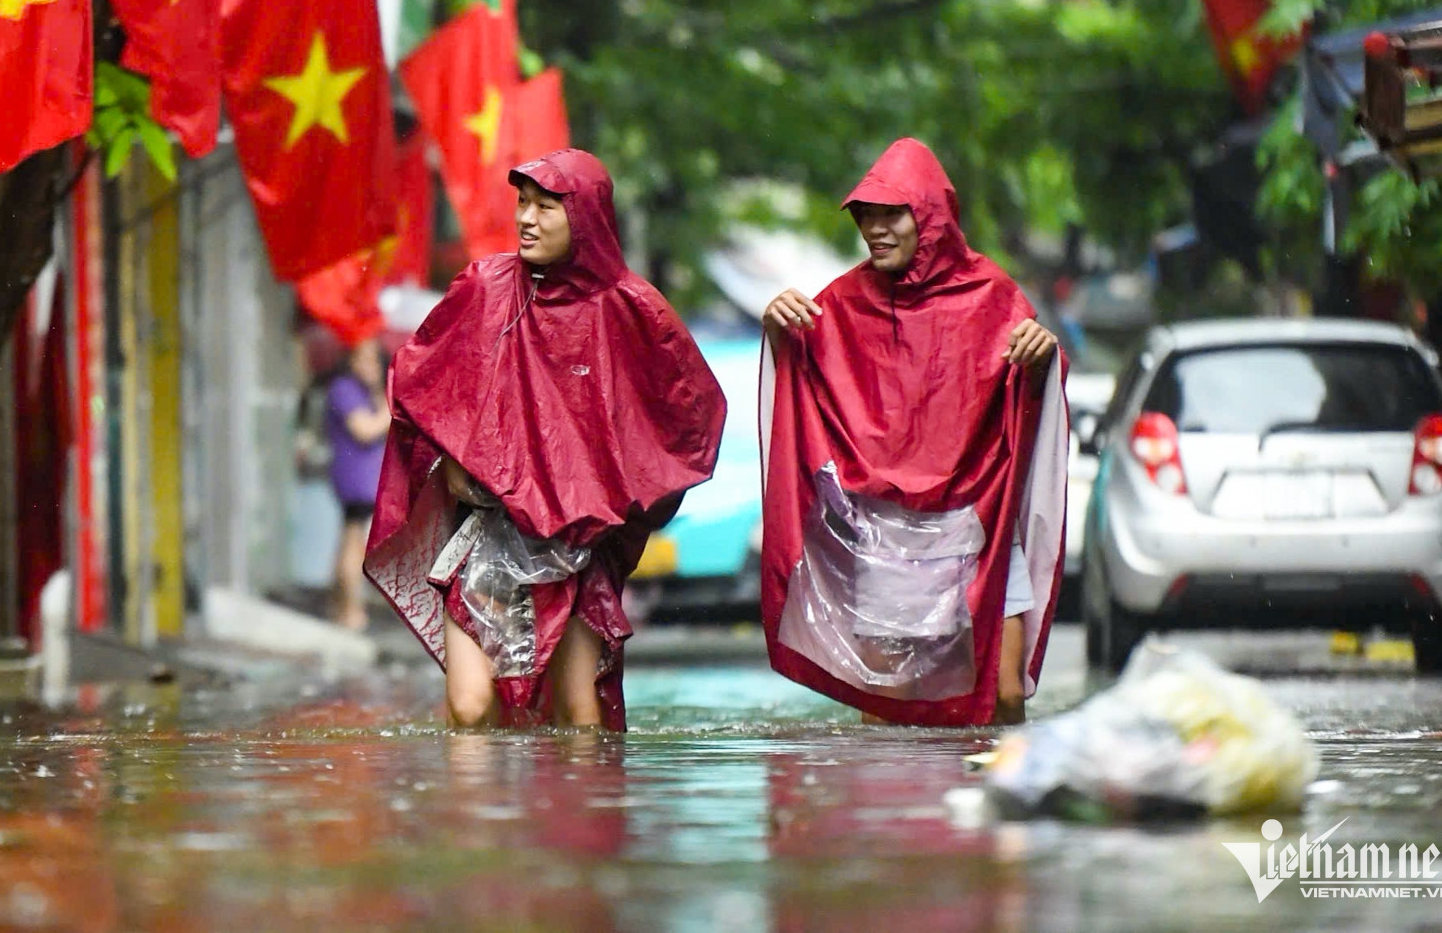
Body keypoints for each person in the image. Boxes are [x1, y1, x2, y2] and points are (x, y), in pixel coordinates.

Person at [365, 149, 727, 729]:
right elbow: (421, 377)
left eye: (546, 207)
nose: (527, 219)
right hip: (487, 532)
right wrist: (450, 456)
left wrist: (623, 498)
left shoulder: (632, 308)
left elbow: (690, 413)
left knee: (581, 718)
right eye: (523, 204)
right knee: (470, 706)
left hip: (581, 547)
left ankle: (570, 821)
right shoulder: (485, 287)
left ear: (583, 216)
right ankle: (478, 821)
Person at [758, 138, 1065, 726]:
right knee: (889, 704)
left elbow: (1024, 401)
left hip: (979, 522)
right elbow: (805, 390)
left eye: (890, 214)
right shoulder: (841, 303)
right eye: (866, 216)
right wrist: (778, 332)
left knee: (1001, 694)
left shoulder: (993, 295)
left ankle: (989, 812)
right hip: (885, 533)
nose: (875, 229)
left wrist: (1043, 355)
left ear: (929, 216)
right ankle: (893, 816)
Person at [326, 337, 392, 631]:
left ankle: (340, 607)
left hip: (366, 480)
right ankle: (351, 611)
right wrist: (393, 410)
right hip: (357, 481)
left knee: (349, 541)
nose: (367, 366)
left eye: (371, 359)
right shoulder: (345, 389)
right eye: (360, 359)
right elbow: (365, 430)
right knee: (354, 546)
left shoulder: (369, 392)